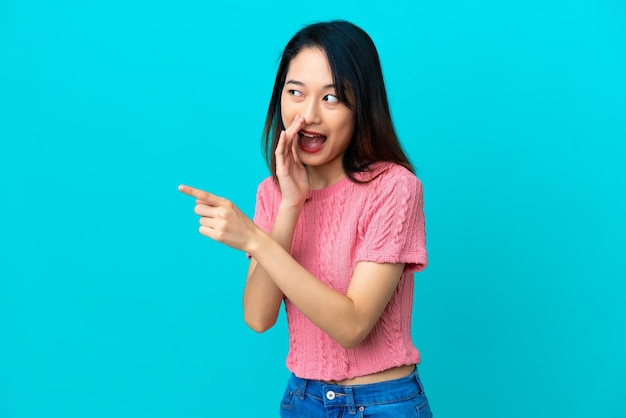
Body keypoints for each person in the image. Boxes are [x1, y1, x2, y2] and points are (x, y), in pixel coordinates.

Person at [179, 19, 433, 417]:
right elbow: (259, 317)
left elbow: (352, 326)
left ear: (361, 106)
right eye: (295, 92)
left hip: (383, 402)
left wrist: (255, 240)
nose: (308, 114)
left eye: (331, 98)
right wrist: (291, 205)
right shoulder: (274, 192)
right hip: (304, 401)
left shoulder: (394, 188)